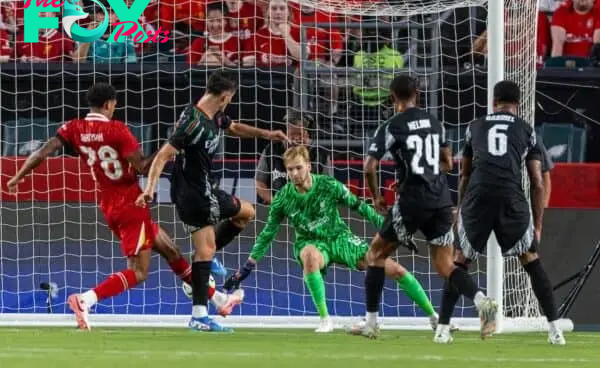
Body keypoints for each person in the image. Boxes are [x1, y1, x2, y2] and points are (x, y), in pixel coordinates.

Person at [5, 83, 242, 330]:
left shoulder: (73, 128)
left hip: (109, 203)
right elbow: (141, 167)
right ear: (109, 104)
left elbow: (43, 152)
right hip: (131, 204)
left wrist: (18, 176)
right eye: (115, 104)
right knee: (139, 272)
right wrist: (168, 147)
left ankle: (218, 299)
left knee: (171, 252)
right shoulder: (118, 130)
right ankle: (86, 300)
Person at [225, 145, 440, 333]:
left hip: (340, 237)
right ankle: (325, 320)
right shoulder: (283, 198)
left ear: (309, 166)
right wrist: (247, 267)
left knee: (396, 270)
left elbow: (361, 207)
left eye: (298, 167)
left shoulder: (329, 185)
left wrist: (393, 230)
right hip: (311, 242)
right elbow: (267, 233)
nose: (294, 173)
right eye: (290, 169)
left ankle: (433, 317)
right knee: (309, 256)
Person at [135, 70, 288, 332]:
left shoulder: (212, 113)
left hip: (192, 191)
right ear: (226, 96)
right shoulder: (193, 123)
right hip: (197, 194)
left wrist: (267, 134)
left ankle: (199, 288)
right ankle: (199, 299)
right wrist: (149, 189)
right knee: (245, 215)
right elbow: (162, 155)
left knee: (214, 243)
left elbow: (235, 127)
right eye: (231, 98)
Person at [349, 74, 497, 339]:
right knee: (446, 266)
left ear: (392, 97)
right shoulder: (434, 122)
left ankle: (371, 323)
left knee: (375, 255)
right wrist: (414, 176)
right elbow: (448, 164)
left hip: (411, 202)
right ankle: (481, 301)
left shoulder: (392, 125)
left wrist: (376, 197)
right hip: (440, 201)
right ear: (417, 93)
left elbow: (370, 166)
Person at [435, 80, 566, 345]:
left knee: (459, 261)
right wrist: (537, 223)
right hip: (510, 198)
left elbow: (465, 174)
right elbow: (537, 181)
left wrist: (460, 209)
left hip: (478, 197)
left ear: (494, 101)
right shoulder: (527, 130)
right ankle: (555, 330)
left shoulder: (475, 127)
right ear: (517, 104)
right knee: (530, 259)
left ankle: (443, 329)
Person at [255, 111, 331, 204]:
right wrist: (277, 202)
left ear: (308, 134)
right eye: (292, 134)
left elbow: (327, 188)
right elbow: (259, 183)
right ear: (286, 133)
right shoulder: (271, 150)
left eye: (300, 134)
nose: (296, 138)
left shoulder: (320, 155)